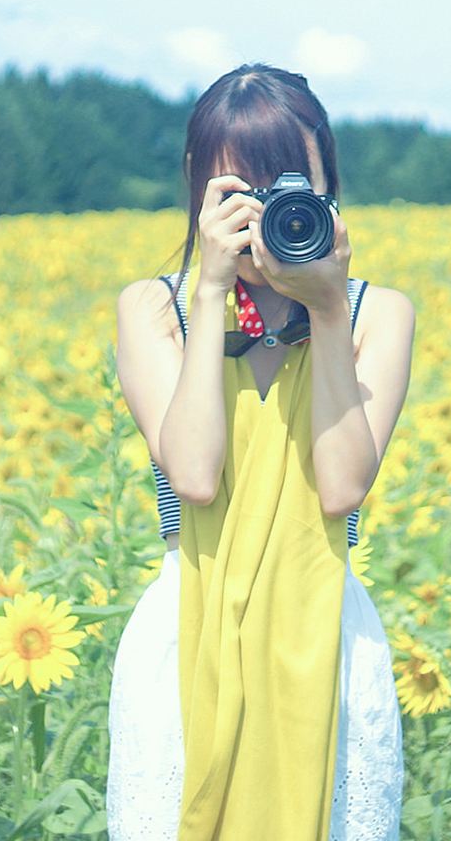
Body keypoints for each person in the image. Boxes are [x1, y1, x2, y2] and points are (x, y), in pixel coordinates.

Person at [106, 64, 414, 840]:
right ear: (196, 189)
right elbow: (196, 475)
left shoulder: (379, 314)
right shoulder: (155, 309)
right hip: (188, 638)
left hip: (326, 647)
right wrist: (210, 292)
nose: (264, 212)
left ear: (326, 183)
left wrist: (326, 312)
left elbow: (341, 488)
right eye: (237, 191)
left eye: (285, 186)